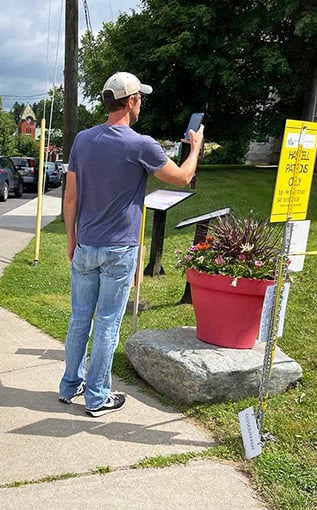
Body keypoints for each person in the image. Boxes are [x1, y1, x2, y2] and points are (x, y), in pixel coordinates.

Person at [58, 71, 205, 417]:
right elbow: (183, 178)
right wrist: (195, 148)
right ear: (133, 101)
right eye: (141, 98)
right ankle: (96, 397)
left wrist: (71, 240)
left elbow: (70, 197)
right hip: (119, 250)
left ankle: (69, 386)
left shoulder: (82, 141)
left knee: (80, 318)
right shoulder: (141, 144)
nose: (141, 103)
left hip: (85, 245)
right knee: (108, 322)